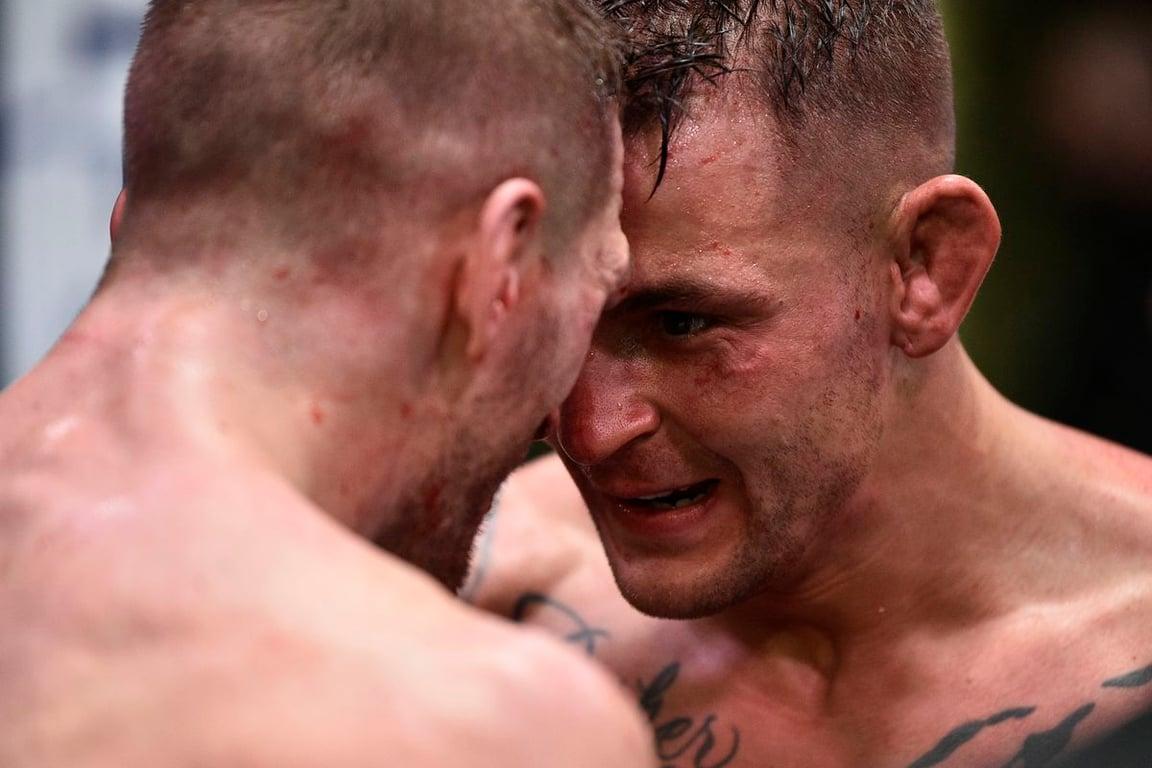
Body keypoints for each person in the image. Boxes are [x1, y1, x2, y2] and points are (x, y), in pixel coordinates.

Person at [465, 1, 1152, 765]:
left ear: (926, 267)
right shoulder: (477, 598)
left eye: (682, 323)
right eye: (547, 322)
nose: (589, 430)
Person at [0, 1, 655, 766]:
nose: (570, 421)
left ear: (133, 225)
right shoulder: (472, 720)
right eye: (593, 293)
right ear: (495, 271)